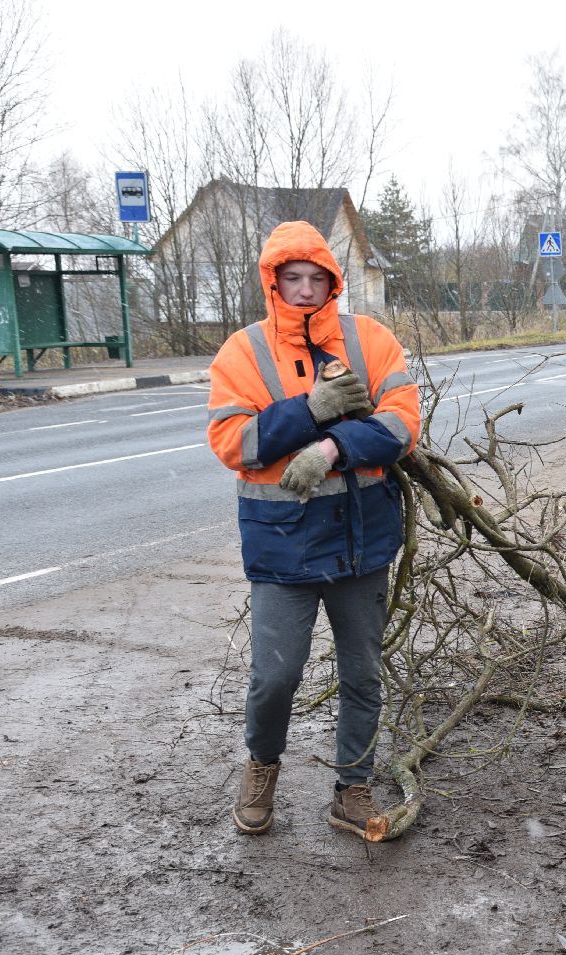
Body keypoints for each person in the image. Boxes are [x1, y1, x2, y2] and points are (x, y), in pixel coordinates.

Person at [207, 220, 421, 839]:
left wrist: (330, 448)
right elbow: (234, 441)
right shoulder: (242, 352)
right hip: (282, 543)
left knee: (362, 673)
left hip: (362, 539)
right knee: (275, 675)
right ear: (272, 283)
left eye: (316, 278)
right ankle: (262, 766)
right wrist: (308, 410)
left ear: (333, 282)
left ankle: (352, 788)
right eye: (291, 278)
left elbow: (403, 424)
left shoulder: (371, 342)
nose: (304, 289)